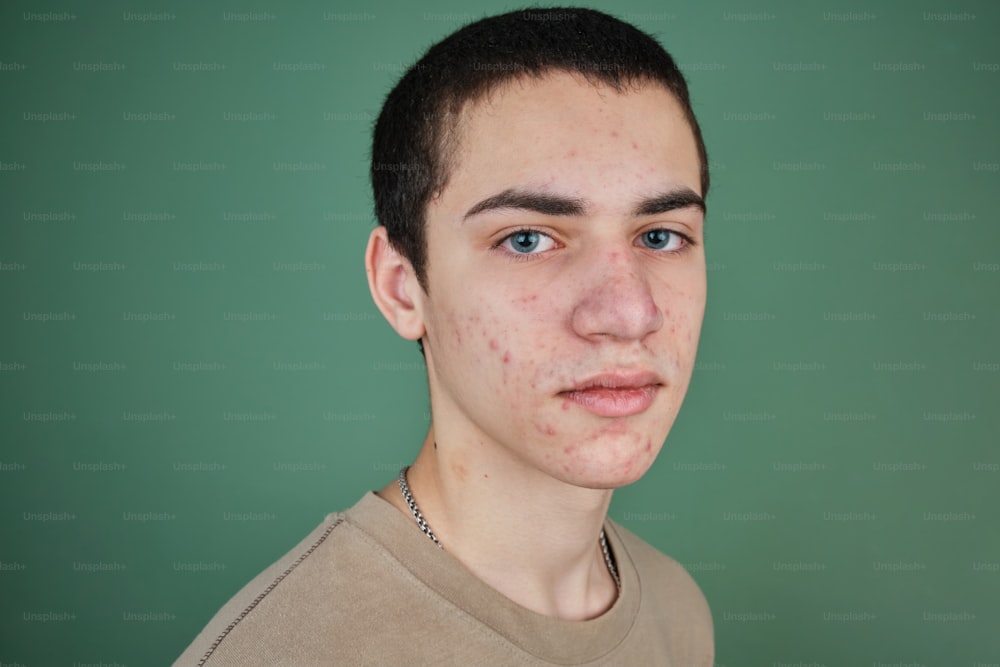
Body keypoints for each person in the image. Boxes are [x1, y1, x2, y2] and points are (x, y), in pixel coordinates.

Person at [175, 7, 714, 665]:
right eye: (527, 239)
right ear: (403, 288)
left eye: (661, 236)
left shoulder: (675, 608)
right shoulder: (283, 650)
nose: (629, 312)